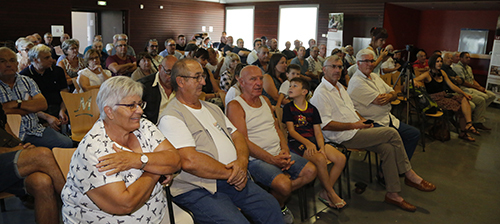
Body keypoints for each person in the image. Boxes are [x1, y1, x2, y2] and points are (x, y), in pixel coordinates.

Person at [158, 59, 284, 224]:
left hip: (231, 177)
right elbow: (189, 161)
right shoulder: (171, 116)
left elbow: (237, 136)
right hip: (197, 187)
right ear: (181, 81)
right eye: (197, 77)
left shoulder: (212, 108)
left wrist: (242, 162)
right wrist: (234, 174)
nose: (203, 82)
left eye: (202, 77)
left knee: (270, 206)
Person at [310, 55, 436, 212]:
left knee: (388, 148)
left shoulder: (340, 87)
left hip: (356, 129)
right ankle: (409, 174)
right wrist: (354, 125)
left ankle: (393, 194)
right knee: (391, 133)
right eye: (333, 66)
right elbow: (325, 125)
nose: (337, 70)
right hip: (343, 136)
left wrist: (363, 122)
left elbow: (352, 110)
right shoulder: (321, 93)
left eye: (340, 67)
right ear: (324, 69)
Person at [61, 76, 189, 223]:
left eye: (140, 104)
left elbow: (176, 160)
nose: (140, 111)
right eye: (131, 106)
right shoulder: (93, 149)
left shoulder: (144, 126)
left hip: (155, 214)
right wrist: (156, 170)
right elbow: (125, 204)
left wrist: (137, 160)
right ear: (109, 112)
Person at [226, 65, 316, 223]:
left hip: (277, 153)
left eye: (260, 78)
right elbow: (243, 142)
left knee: (311, 171)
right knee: (284, 185)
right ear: (241, 82)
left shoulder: (265, 100)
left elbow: (277, 128)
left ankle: (272, 204)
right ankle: (274, 206)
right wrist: (272, 160)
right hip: (256, 160)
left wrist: (285, 150)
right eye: (253, 79)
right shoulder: (236, 106)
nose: (259, 83)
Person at [283, 77, 346, 209]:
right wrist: (308, 144)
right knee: (320, 160)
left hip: (313, 141)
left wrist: (321, 147)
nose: (290, 88)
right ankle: (331, 193)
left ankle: (325, 191)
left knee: (340, 158)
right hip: (298, 143)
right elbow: (292, 131)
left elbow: (318, 132)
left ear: (304, 91)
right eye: (290, 86)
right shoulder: (288, 108)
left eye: (295, 86)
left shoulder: (312, 109)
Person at [347, 49, 420, 160]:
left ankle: (400, 165)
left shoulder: (374, 76)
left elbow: (393, 92)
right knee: (391, 143)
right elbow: (379, 100)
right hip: (371, 122)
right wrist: (390, 96)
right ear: (358, 63)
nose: (370, 64)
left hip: (387, 118)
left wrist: (390, 96)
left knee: (414, 133)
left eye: (372, 61)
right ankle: (387, 171)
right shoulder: (356, 82)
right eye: (366, 61)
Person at [0, 105, 66, 224]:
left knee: (42, 182)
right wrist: (14, 151)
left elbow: (6, 132)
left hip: (6, 160)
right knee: (42, 154)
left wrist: (22, 147)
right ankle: (77, 202)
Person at [0, 47, 73, 149]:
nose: (8, 64)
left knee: (67, 143)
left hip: (34, 130)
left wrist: (17, 103)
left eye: (12, 60)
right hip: (6, 135)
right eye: (2, 61)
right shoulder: (26, 73)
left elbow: (42, 104)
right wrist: (28, 108)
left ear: (17, 63)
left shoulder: (26, 81)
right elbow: (1, 110)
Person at [414, 54, 478, 141]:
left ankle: (468, 124)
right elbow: (414, 79)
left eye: (441, 61)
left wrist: (464, 93)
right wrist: (415, 82)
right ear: (433, 63)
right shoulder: (427, 74)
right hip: (435, 99)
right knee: (460, 107)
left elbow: (451, 85)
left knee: (464, 98)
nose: (440, 63)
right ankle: (464, 132)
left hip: (444, 95)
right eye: (437, 61)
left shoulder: (442, 73)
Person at [19, 45, 71, 133]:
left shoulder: (58, 71)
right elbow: (27, 104)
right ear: (35, 60)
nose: (51, 59)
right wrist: (47, 117)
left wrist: (62, 110)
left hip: (58, 108)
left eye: (50, 56)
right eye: (47, 58)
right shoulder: (25, 75)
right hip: (38, 113)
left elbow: (64, 92)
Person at [442, 53, 489, 130]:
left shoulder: (450, 69)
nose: (450, 60)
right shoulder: (442, 70)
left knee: (482, 100)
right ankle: (465, 126)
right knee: (472, 105)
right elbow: (454, 83)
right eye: (448, 58)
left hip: (458, 90)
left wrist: (479, 87)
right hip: (451, 92)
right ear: (442, 59)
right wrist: (456, 80)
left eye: (451, 58)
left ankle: (477, 122)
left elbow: (460, 80)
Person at [452, 52, 495, 131]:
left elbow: (472, 80)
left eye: (469, 58)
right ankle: (477, 121)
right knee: (484, 97)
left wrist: (480, 87)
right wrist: (477, 88)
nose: (469, 59)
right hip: (465, 88)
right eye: (466, 57)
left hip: (472, 87)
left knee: (492, 95)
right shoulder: (457, 67)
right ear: (461, 59)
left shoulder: (468, 68)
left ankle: (477, 115)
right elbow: (464, 82)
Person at [138, 55, 178, 124]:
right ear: (160, 68)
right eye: (168, 72)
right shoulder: (143, 86)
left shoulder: (181, 84)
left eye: (176, 73)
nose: (172, 77)